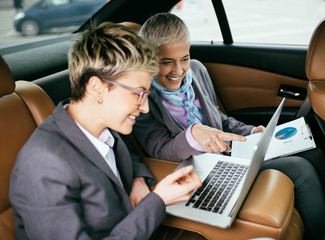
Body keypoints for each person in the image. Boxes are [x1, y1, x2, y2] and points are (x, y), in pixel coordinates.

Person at [132, 13, 325, 240]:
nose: (178, 70)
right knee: (300, 169)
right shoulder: (142, 97)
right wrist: (193, 135)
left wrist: (250, 132)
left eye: (184, 58)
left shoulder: (197, 71)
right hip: (202, 167)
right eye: (166, 62)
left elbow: (220, 119)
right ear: (149, 59)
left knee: (313, 153)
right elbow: (159, 151)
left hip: (232, 152)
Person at [8, 22, 203, 240]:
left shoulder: (102, 125)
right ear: (97, 88)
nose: (145, 107)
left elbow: (124, 153)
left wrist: (138, 178)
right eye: (139, 94)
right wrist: (158, 201)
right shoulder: (43, 167)